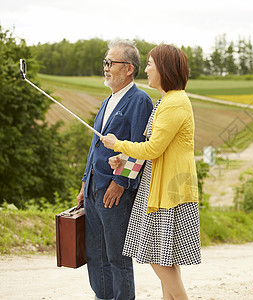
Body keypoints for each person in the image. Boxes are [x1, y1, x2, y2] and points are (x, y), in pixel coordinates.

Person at [101, 44, 201, 300]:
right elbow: (156, 150)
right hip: (163, 187)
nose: (146, 69)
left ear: (164, 69)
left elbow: (154, 148)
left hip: (168, 191)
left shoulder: (174, 102)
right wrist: (123, 161)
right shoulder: (168, 101)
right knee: (165, 258)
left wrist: (118, 144)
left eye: (150, 65)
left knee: (156, 257)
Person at [77, 39, 153, 300]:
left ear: (129, 68)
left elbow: (140, 148)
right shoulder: (108, 100)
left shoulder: (139, 101)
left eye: (111, 62)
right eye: (105, 62)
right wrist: (84, 182)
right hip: (93, 189)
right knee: (95, 253)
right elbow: (94, 147)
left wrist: (120, 182)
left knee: (117, 256)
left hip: (115, 192)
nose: (106, 68)